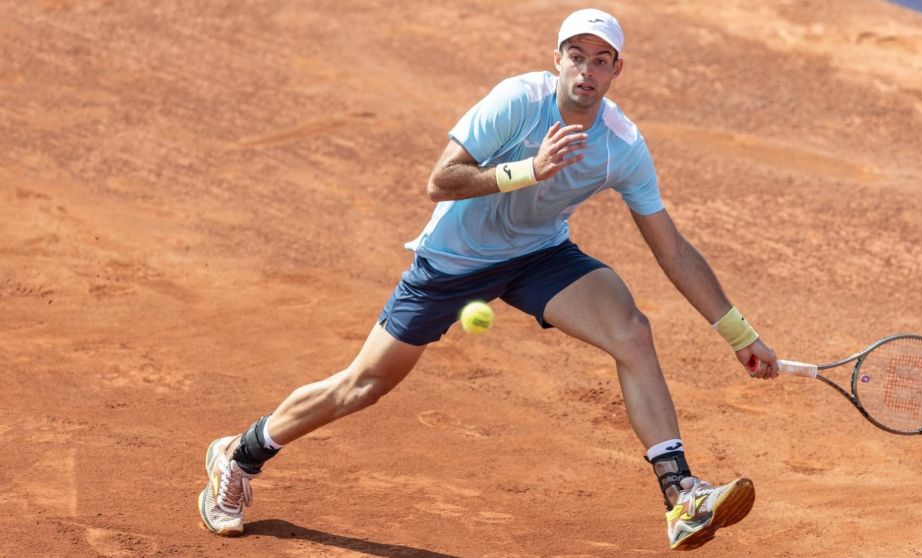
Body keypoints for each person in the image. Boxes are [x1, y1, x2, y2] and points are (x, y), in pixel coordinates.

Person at [197, 8, 780, 551]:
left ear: (616, 71)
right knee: (364, 385)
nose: (587, 69)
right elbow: (440, 180)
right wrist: (529, 170)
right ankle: (239, 455)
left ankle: (681, 497)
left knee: (631, 330)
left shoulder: (621, 147)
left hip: (537, 256)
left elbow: (672, 249)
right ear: (557, 59)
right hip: (453, 260)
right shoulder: (516, 102)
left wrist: (738, 334)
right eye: (576, 55)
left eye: (601, 60)